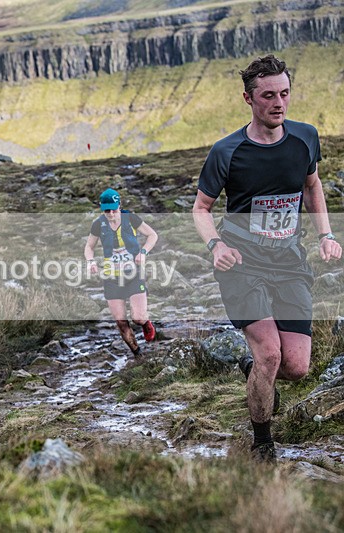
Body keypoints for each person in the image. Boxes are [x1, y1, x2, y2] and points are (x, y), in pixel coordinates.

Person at [192, 55, 342, 462]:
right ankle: (262, 441)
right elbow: (200, 209)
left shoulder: (305, 138)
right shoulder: (227, 152)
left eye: (285, 93)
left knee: (295, 366)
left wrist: (325, 234)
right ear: (248, 98)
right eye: (269, 95)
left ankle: (252, 367)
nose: (279, 103)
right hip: (243, 264)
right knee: (270, 354)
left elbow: (312, 186)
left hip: (290, 261)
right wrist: (216, 246)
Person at [84, 188, 158, 356]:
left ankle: (146, 323)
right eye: (106, 210)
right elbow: (89, 246)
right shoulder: (98, 224)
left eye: (114, 209)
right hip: (111, 277)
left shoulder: (130, 218)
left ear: (119, 206)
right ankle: (138, 354)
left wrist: (143, 252)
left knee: (138, 318)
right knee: (121, 322)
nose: (110, 213)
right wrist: (90, 261)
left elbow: (152, 235)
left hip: (133, 274)